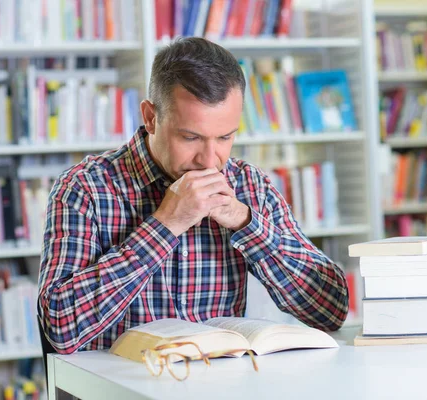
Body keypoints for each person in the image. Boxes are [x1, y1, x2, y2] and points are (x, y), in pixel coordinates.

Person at [38, 37, 349, 354]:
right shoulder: (85, 188)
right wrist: (167, 224)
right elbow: (60, 329)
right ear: (151, 118)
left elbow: (330, 311)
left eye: (225, 137)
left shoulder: (250, 185)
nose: (210, 160)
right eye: (191, 137)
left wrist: (245, 223)